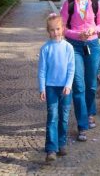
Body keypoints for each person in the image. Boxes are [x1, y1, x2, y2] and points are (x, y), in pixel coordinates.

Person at [60, 0, 100, 142]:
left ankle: (90, 112)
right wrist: (77, 35)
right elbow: (62, 28)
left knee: (91, 84)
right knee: (78, 86)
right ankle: (82, 124)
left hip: (92, 45)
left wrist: (93, 30)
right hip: (74, 47)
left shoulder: (95, 2)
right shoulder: (68, 4)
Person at [38, 13, 75, 163]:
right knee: (52, 117)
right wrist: (42, 88)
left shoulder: (68, 48)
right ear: (48, 31)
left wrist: (68, 85)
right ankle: (51, 149)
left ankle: (62, 143)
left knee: (64, 117)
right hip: (51, 88)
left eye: (58, 29)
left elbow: (71, 69)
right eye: (52, 30)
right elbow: (42, 70)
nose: (55, 32)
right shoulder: (45, 49)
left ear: (63, 29)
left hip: (65, 89)